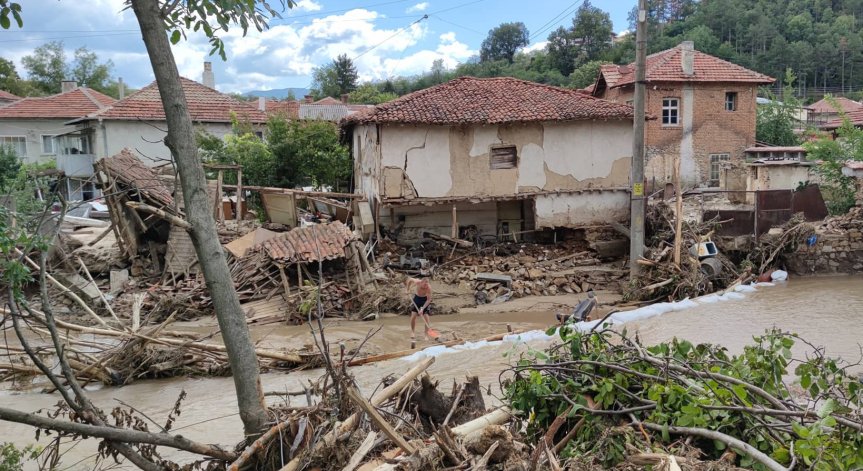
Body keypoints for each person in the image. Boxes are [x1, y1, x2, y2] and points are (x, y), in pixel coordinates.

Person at [405, 275, 433, 340]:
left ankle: (426, 335)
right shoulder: (417, 282)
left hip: (424, 300)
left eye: (427, 284)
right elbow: (409, 279)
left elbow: (428, 300)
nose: (426, 286)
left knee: (426, 318)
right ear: (421, 282)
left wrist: (422, 308)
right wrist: (407, 289)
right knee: (413, 316)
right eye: (425, 285)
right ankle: (412, 332)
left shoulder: (428, 288)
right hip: (417, 299)